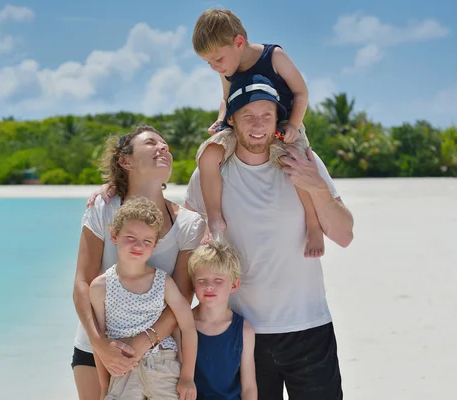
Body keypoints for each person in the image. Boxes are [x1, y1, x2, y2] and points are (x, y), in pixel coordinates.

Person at [183, 74, 354, 399]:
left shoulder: (302, 161)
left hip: (309, 326)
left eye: (266, 115)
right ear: (231, 119)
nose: (258, 124)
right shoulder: (212, 172)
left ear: (278, 118)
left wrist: (316, 184)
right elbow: (181, 235)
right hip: (243, 334)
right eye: (248, 116)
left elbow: (345, 235)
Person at [72, 126, 206, 400]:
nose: (163, 148)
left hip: (161, 357)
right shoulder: (102, 208)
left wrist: (142, 344)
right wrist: (101, 345)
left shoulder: (189, 224)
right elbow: (82, 284)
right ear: (125, 161)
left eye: (165, 144)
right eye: (151, 143)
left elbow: (182, 296)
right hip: (95, 349)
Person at [191, 8, 325, 258]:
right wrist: (221, 121)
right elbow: (225, 99)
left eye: (217, 59)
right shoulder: (226, 69)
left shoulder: (274, 56)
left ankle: (314, 225)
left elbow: (301, 92)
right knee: (208, 153)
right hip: (241, 125)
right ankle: (215, 217)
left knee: (296, 163)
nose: (214, 67)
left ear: (238, 42)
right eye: (208, 62)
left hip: (284, 123)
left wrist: (294, 125)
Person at [89, 196, 198, 400]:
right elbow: (100, 343)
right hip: (122, 373)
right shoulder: (100, 286)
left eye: (147, 241)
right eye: (130, 237)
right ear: (114, 235)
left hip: (163, 367)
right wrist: (104, 388)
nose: (138, 245)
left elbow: (188, 327)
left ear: (155, 245)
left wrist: (187, 377)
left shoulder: (163, 282)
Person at [188, 242, 257, 400]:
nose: (209, 286)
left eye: (218, 280)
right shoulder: (183, 325)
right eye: (202, 280)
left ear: (234, 284)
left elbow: (249, 387)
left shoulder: (244, 330)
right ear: (193, 285)